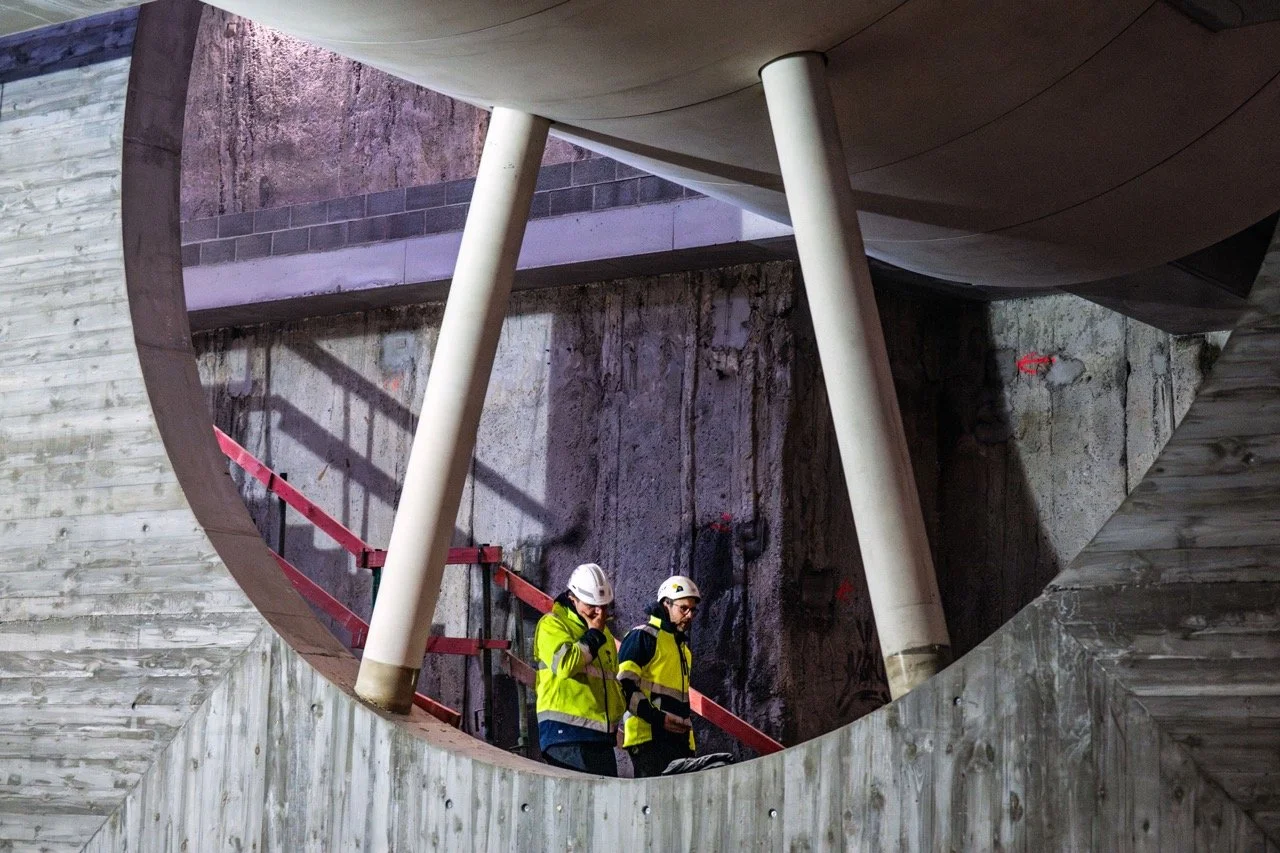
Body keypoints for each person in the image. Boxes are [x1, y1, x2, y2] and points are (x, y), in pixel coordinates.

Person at [532, 562, 625, 776]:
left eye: (604, 606)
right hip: (566, 737)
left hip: (600, 738)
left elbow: (610, 680)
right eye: (592, 605)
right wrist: (593, 635)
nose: (599, 612)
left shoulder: (604, 634)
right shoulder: (553, 624)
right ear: (572, 598)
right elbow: (565, 665)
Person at [617, 575, 700, 777]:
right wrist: (657, 718)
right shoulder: (643, 636)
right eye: (683, 608)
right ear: (666, 604)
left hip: (677, 743)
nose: (689, 615)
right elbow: (623, 686)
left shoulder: (683, 650)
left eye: (693, 610)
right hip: (648, 740)